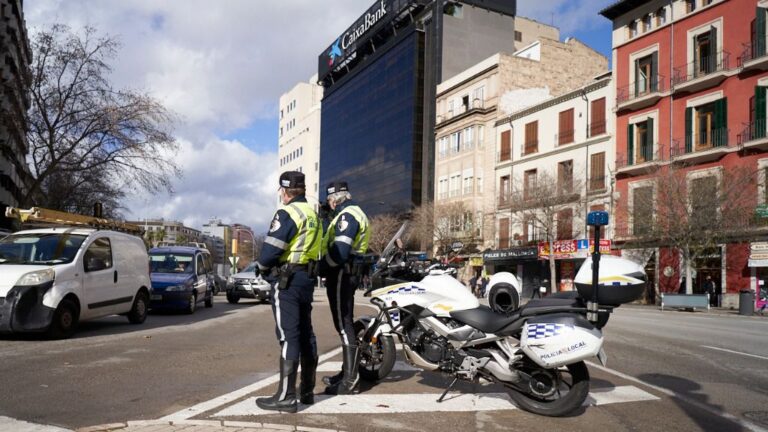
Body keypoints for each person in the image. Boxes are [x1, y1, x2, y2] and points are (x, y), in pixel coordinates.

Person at [254, 171, 321, 413]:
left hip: (287, 280)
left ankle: (286, 397)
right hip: (306, 279)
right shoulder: (313, 215)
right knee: (306, 334)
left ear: (284, 191)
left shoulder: (287, 213)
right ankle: (307, 391)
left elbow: (270, 251)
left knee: (288, 337)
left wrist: (262, 268)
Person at [319, 181, 370, 395]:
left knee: (343, 324)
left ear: (334, 199)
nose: (329, 204)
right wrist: (326, 218)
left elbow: (340, 250)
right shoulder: (352, 213)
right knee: (345, 323)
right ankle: (347, 372)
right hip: (347, 273)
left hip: (341, 273)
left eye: (329, 200)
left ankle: (350, 380)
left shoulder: (347, 216)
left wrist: (320, 267)